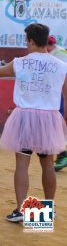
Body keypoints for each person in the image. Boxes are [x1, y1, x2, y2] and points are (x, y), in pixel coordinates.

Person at [0, 24, 67, 222]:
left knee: (22, 164)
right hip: (49, 117)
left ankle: (22, 210)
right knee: (47, 164)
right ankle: (48, 210)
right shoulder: (60, 65)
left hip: (25, 116)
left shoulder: (20, 62)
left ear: (31, 40)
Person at [47, 36, 67, 171]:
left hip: (59, 94)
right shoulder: (59, 52)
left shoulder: (55, 54)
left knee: (57, 125)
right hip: (57, 93)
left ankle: (62, 154)